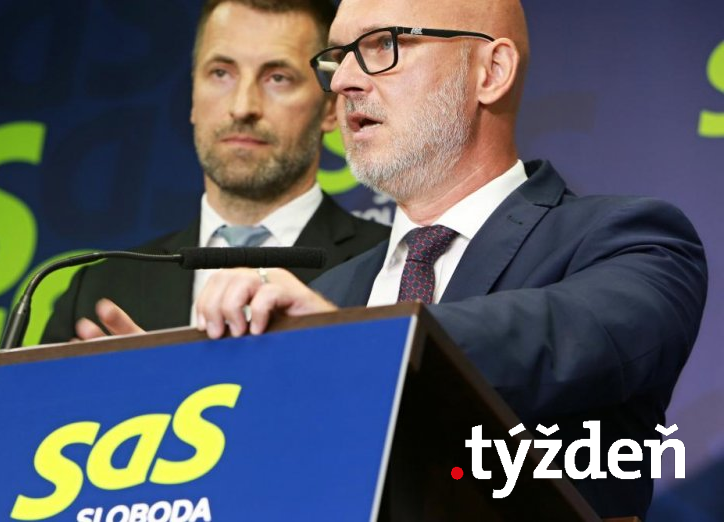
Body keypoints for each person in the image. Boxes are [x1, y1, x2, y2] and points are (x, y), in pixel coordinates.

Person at [96, 0, 709, 517]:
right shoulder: (334, 294)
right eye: (339, 55)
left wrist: (360, 347)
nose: (342, 81)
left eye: (382, 45)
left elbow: (561, 341)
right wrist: (177, 407)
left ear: (490, 71)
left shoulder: (629, 240)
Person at [41, 0, 389, 343]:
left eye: (278, 78)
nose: (242, 107)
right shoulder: (98, 291)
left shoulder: (392, 267)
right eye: (221, 73)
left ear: (330, 107)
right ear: (193, 94)